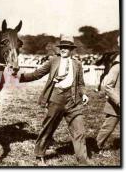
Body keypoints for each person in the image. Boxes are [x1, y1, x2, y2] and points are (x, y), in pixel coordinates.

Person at [19, 36, 90, 165]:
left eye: (66, 47)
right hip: (56, 98)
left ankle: (83, 161)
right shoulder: (53, 61)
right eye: (62, 47)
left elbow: (80, 83)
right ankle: (39, 154)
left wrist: (84, 94)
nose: (63, 49)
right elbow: (37, 74)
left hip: (73, 100)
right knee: (48, 128)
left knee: (79, 131)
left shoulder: (77, 64)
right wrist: (18, 77)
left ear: (71, 50)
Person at [96, 53, 120, 155]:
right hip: (116, 104)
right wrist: (119, 101)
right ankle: (96, 147)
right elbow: (107, 86)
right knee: (108, 127)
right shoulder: (117, 67)